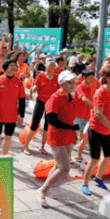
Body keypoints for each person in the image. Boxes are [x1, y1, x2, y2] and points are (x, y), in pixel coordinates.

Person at [37, 71, 81, 208]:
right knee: (64, 168)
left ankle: (46, 188)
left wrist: (73, 132)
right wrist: (71, 127)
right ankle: (43, 190)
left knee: (58, 166)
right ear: (61, 83)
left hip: (68, 135)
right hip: (56, 136)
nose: (72, 85)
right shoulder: (55, 98)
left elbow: (70, 118)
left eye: (73, 82)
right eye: (69, 82)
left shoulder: (71, 98)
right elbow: (52, 121)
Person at [82, 66, 110, 196]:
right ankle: (85, 184)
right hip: (96, 130)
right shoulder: (101, 92)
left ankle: (98, 178)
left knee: (108, 156)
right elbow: (98, 114)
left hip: (107, 131)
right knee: (94, 159)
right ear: (106, 77)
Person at [0, 59, 26, 156]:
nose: (14, 67)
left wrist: (21, 116)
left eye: (15, 66)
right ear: (5, 67)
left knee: (8, 137)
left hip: (12, 116)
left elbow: (22, 100)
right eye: (11, 65)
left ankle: (4, 158)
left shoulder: (19, 82)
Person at [24, 63, 58, 155]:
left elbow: (59, 91)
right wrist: (35, 88)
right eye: (50, 66)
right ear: (46, 67)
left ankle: (42, 147)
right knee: (34, 124)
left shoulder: (57, 78)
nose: (51, 68)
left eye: (53, 67)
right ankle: (26, 146)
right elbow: (35, 86)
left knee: (47, 126)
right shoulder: (41, 76)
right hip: (40, 102)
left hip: (51, 104)